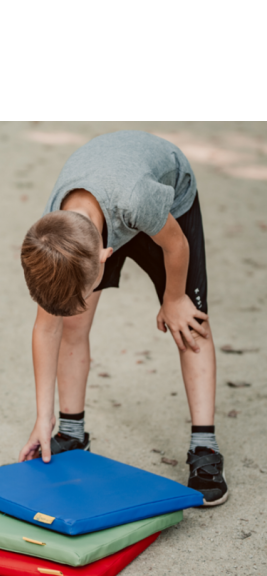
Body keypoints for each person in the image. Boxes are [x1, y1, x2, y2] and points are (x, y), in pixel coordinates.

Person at [18, 130, 228, 507]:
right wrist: (41, 417)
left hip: (166, 203)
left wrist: (174, 297)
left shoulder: (139, 200)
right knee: (73, 327)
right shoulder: (54, 240)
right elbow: (46, 327)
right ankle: (71, 431)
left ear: (105, 257)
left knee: (191, 324)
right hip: (105, 200)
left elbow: (175, 244)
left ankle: (205, 447)